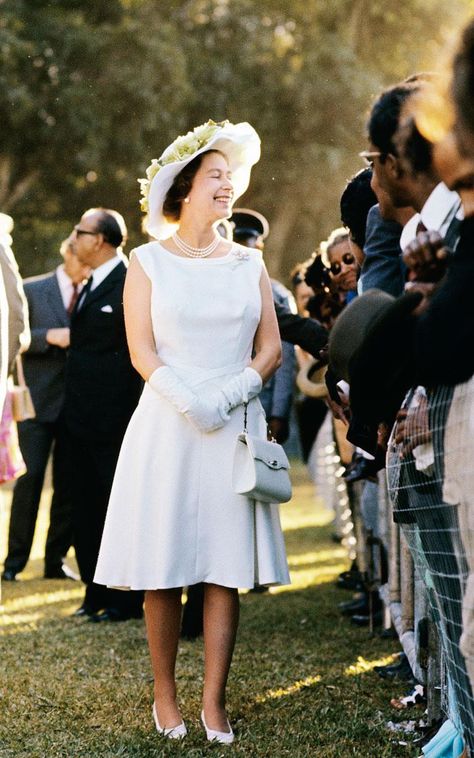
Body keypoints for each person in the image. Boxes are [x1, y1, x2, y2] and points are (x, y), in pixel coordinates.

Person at [94, 120, 290, 742]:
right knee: (165, 563)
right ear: (183, 188)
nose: (227, 185)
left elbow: (271, 350)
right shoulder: (146, 262)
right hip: (168, 425)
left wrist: (228, 394)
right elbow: (142, 351)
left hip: (233, 424)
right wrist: (190, 401)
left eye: (230, 177)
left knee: (223, 568)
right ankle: (165, 697)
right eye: (215, 177)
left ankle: (214, 703)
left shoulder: (248, 263)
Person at [63, 208, 143, 621]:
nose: (73, 238)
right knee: (85, 507)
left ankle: (125, 599)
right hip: (78, 420)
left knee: (118, 510)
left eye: (80, 231)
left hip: (114, 423)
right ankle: (93, 593)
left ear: (101, 239)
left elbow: (136, 356)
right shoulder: (90, 281)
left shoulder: (130, 280)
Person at [2, 240, 89, 582]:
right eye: (82, 262)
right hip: (36, 404)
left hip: (75, 404)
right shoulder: (31, 288)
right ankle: (14, 562)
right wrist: (48, 337)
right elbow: (14, 334)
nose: (86, 269)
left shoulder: (93, 292)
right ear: (67, 253)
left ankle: (55, 560)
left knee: (67, 487)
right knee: (29, 482)